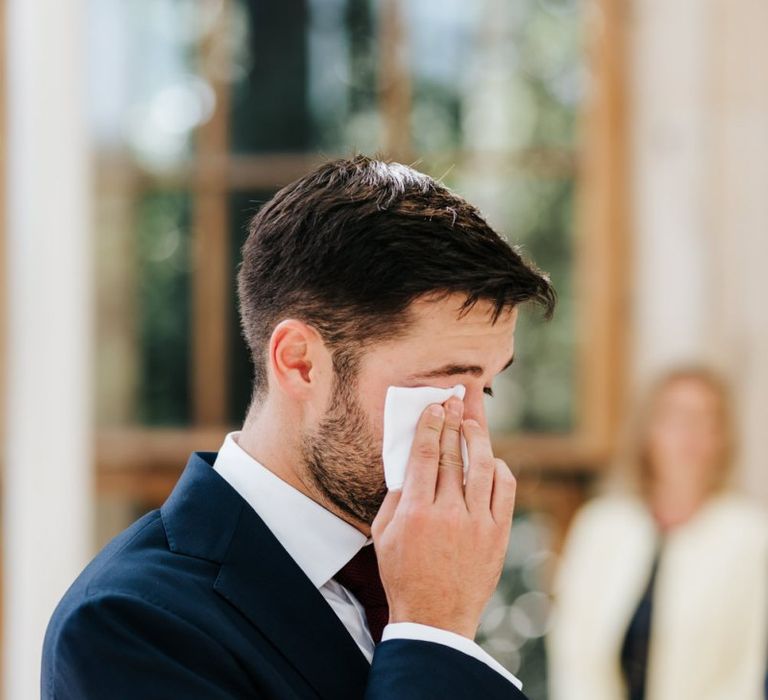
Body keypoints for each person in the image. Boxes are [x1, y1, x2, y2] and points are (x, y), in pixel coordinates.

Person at [42, 155, 557, 699]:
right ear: (301, 363)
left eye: (488, 389)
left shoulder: (416, 574)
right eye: (446, 387)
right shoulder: (127, 626)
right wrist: (434, 633)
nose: (475, 433)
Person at [548, 366, 768, 700]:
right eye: (675, 416)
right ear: (648, 430)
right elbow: (571, 655)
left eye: (705, 419)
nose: (689, 433)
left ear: (724, 437)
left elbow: (744, 671)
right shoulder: (601, 528)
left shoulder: (748, 536)